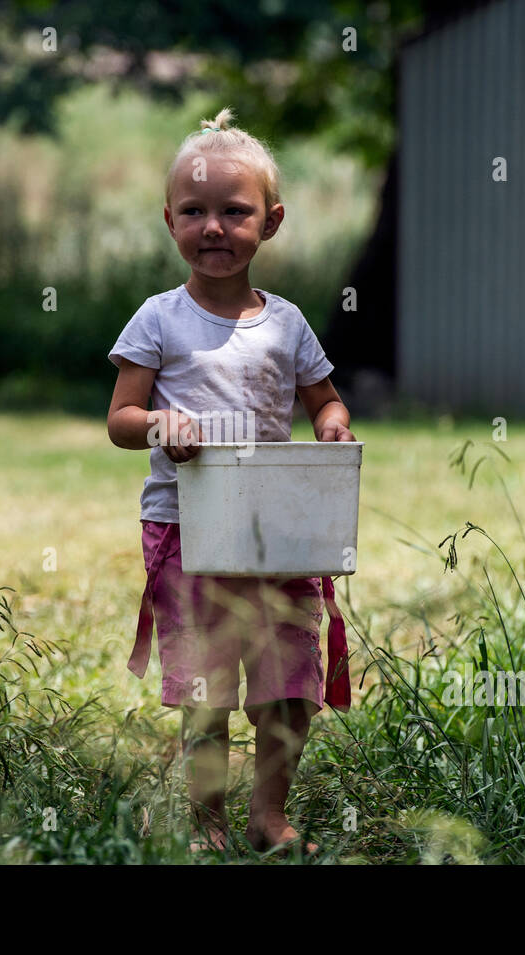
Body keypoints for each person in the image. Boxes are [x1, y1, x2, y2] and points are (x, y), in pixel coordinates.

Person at [106, 107, 356, 857]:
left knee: (287, 679)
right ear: (169, 220)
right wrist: (160, 424)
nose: (213, 227)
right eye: (194, 212)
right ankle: (207, 820)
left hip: (276, 530)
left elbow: (325, 397)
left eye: (234, 211)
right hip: (190, 527)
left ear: (270, 222)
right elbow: (120, 416)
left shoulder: (286, 324)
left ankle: (269, 815)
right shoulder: (159, 318)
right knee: (208, 686)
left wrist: (334, 425)